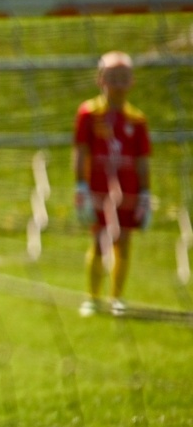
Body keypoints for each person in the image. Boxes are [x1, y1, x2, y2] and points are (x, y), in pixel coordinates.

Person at [74, 51, 152, 318]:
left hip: (128, 192)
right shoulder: (88, 113)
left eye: (123, 78)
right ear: (100, 80)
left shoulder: (137, 119)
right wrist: (80, 187)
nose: (118, 84)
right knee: (99, 241)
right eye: (112, 78)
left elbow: (142, 160)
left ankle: (117, 297)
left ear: (132, 82)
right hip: (98, 190)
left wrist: (145, 193)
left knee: (124, 242)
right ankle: (92, 298)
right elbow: (81, 151)